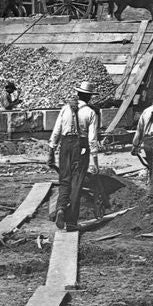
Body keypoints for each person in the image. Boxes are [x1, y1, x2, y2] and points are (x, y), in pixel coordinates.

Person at [47, 81, 100, 231]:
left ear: (78, 94)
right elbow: (92, 139)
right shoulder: (91, 113)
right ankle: (71, 222)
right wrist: (94, 162)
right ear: (89, 97)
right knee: (76, 183)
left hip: (65, 146)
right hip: (81, 147)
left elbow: (56, 131)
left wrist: (51, 151)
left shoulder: (65, 109)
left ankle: (61, 208)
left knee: (64, 180)